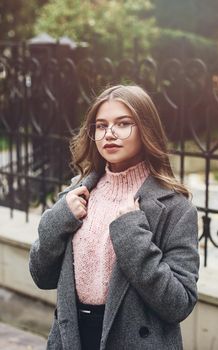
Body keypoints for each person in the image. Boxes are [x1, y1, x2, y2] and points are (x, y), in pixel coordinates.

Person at [29, 85, 199, 350]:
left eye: (123, 123)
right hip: (72, 338)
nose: (110, 133)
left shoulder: (175, 208)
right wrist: (59, 218)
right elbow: (41, 276)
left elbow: (179, 303)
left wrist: (133, 236)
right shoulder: (78, 193)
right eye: (101, 125)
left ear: (146, 129)